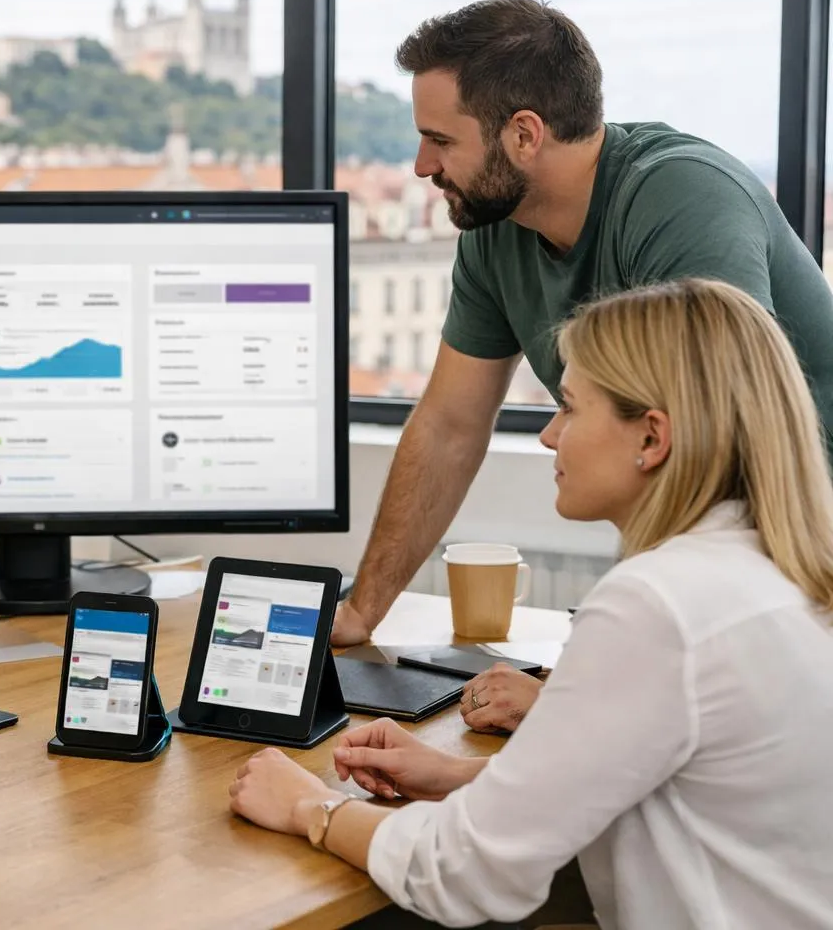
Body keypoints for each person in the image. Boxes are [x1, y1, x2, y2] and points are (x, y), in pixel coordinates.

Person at [230, 279, 833, 928]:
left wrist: (310, 807)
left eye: (570, 408)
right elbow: (646, 787)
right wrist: (449, 777)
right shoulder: (776, 568)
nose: (549, 436)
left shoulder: (659, 605)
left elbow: (467, 875)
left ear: (651, 438)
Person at [333, 0, 833, 652]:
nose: (423, 165)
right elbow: (449, 427)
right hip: (717, 581)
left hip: (798, 568)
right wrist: (361, 614)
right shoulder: (494, 231)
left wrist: (595, 676)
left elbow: (715, 450)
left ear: (524, 134)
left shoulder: (682, 198)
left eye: (442, 140)